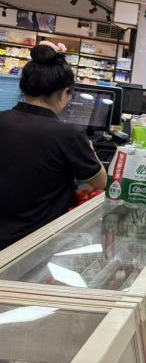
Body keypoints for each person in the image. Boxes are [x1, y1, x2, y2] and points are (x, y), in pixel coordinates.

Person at [0, 42, 106, 250]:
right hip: (36, 244)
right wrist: (90, 149)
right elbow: (100, 182)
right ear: (64, 92)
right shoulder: (69, 134)